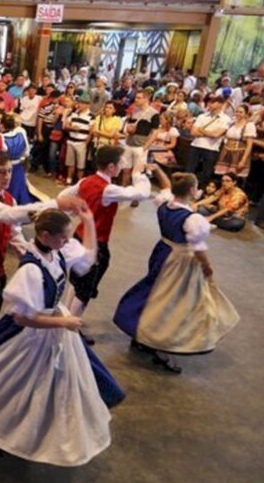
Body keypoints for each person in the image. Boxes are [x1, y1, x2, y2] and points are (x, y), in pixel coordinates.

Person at [0, 208, 125, 466]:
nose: (67, 242)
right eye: (63, 237)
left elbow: (88, 259)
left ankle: (43, 431)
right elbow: (22, 318)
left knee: (52, 385)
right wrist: (64, 321)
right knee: (11, 382)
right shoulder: (31, 271)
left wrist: (90, 222)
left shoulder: (57, 252)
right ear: (46, 236)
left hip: (53, 326)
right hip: (32, 334)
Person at [114, 172, 240, 374]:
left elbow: (165, 189)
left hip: (162, 250)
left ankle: (141, 335)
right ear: (192, 190)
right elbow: (198, 247)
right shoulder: (191, 218)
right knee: (171, 302)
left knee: (153, 291)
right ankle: (161, 346)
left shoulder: (164, 203)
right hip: (178, 260)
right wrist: (207, 266)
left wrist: (158, 170)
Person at [0, 150, 83, 346]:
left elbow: (14, 233)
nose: (6, 177)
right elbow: (9, 215)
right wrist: (55, 203)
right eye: (1, 172)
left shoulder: (8, 198)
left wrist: (34, 257)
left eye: (9, 171)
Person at [58, 145, 152, 337]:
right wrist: (138, 173)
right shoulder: (107, 189)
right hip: (94, 243)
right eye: (119, 163)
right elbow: (141, 193)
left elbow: (62, 197)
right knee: (85, 288)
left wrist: (73, 210)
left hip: (79, 236)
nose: (122, 166)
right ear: (111, 167)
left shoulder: (86, 180)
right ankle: (69, 329)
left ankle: (66, 320)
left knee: (76, 282)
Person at [186, 97, 232, 189]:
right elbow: (193, 132)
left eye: (213, 102)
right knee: (189, 169)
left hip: (211, 148)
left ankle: (201, 191)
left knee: (206, 172)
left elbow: (216, 134)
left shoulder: (225, 119)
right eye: (209, 102)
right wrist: (208, 132)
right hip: (196, 145)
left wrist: (201, 129)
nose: (210, 104)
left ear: (220, 104)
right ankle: (185, 188)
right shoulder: (202, 116)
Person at [0, 112, 38, 204]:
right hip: (19, 167)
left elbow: (0, 153)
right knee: (20, 190)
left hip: (6, 168)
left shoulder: (1, 137)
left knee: (7, 192)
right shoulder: (21, 133)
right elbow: (27, 152)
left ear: (2, 125)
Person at [64, 95, 93, 185]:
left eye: (81, 103)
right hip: (71, 140)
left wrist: (86, 142)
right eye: (78, 103)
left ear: (87, 105)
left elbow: (91, 131)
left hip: (81, 142)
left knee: (80, 165)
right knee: (70, 163)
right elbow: (66, 125)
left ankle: (79, 183)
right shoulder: (73, 113)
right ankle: (68, 180)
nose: (79, 105)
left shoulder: (91, 116)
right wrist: (72, 127)